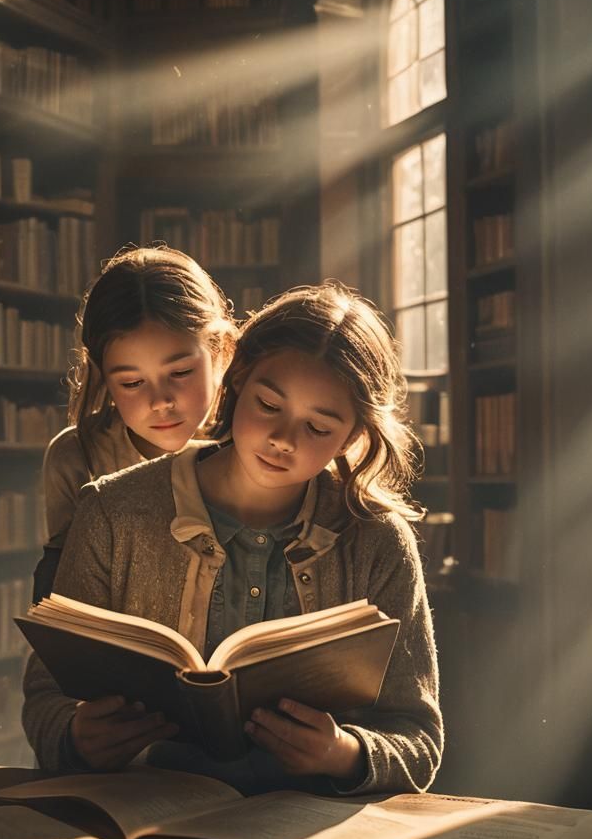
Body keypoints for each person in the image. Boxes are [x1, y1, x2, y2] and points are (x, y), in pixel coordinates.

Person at [23, 282, 442, 795]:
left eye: (318, 427)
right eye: (268, 405)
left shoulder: (378, 540)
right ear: (237, 378)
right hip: (143, 810)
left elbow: (418, 740)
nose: (283, 439)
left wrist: (343, 753)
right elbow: (46, 698)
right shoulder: (110, 511)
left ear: (355, 435)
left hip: (307, 833)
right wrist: (75, 737)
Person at [33, 245, 237, 602]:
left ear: (220, 350)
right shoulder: (77, 457)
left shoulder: (252, 443)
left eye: (180, 372)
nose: (160, 401)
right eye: (131, 383)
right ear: (103, 377)